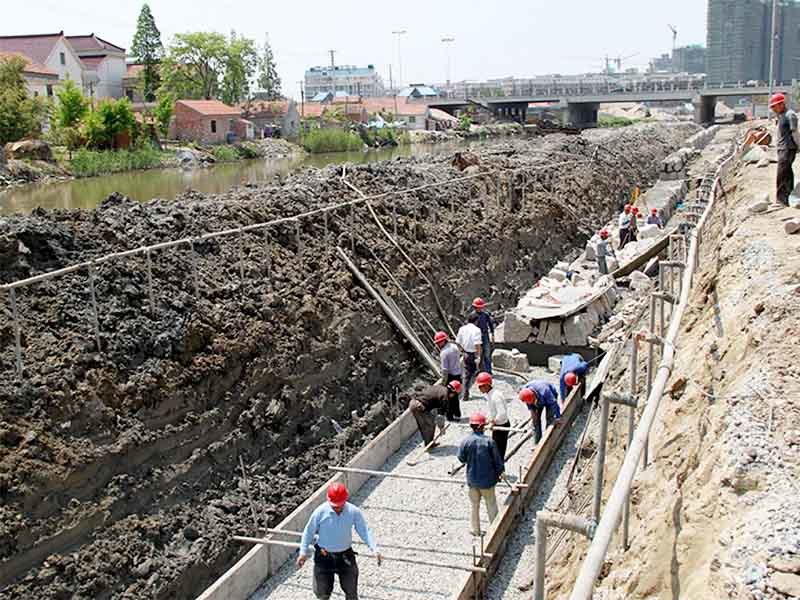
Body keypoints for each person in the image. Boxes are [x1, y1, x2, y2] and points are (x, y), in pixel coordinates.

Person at [297, 483, 382, 600]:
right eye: (334, 506)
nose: (337, 508)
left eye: (339, 505)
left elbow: (364, 530)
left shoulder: (353, 512)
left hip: (345, 557)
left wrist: (374, 548)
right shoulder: (320, 512)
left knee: (351, 592)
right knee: (322, 594)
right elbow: (308, 532)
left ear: (345, 500)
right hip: (324, 557)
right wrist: (303, 552)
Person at [457, 412, 505, 536]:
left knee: (474, 506)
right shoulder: (489, 442)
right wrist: (501, 472)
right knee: (491, 505)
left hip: (472, 481)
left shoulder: (466, 441)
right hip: (487, 482)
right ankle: (495, 532)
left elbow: (461, 458)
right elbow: (497, 460)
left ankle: (475, 530)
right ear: (481, 427)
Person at [409, 381, 461, 447]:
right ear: (453, 392)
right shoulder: (445, 398)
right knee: (430, 425)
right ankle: (429, 444)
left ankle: (429, 443)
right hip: (418, 406)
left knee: (425, 425)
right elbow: (440, 416)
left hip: (414, 403)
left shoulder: (441, 388)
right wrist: (441, 428)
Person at [770, 92, 800, 206]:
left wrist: (799, 145)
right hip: (783, 149)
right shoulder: (782, 115)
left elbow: (795, 132)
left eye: (774, 106)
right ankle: (788, 197)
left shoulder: (790, 115)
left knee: (782, 174)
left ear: (782, 104)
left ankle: (781, 200)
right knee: (787, 173)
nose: (773, 109)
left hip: (787, 149)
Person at [477, 372, 510, 458]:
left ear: (487, 385)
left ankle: (500, 470)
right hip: (496, 425)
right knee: (495, 450)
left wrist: (493, 421)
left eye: (481, 386)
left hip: (501, 426)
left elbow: (502, 413)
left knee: (499, 451)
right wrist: (487, 420)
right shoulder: (489, 395)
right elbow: (492, 411)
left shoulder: (496, 396)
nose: (479, 388)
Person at [434, 331, 463, 420]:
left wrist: (443, 382)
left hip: (450, 377)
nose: (438, 344)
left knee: (448, 398)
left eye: (439, 342)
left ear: (443, 341)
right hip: (458, 375)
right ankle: (457, 415)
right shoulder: (454, 347)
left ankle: (450, 416)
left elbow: (445, 370)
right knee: (455, 397)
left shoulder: (444, 353)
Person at [455, 313, 483, 401]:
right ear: (476, 321)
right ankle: (480, 389)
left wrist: (462, 351)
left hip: (466, 353)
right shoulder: (477, 330)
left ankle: (465, 393)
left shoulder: (462, 329)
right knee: (475, 372)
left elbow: (458, 342)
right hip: (473, 354)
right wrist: (478, 356)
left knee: (466, 374)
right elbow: (477, 344)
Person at [470, 298, 495, 374]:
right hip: (476, 336)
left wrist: (492, 334)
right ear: (475, 307)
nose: (480, 309)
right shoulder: (472, 316)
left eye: (481, 307)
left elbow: (490, 324)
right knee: (477, 354)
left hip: (485, 335)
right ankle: (478, 370)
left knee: (487, 353)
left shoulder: (485, 315)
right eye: (479, 307)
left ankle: (488, 371)